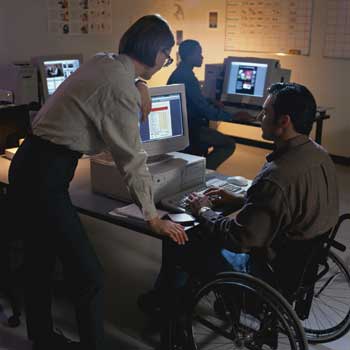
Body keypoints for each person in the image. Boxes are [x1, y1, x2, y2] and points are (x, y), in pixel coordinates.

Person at [8, 14, 188, 350]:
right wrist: (152, 216)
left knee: (40, 260)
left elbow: (123, 80)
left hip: (32, 163)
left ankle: (42, 338)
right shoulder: (120, 88)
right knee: (89, 275)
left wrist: (143, 84)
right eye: (167, 53)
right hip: (45, 174)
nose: (168, 61)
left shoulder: (104, 62)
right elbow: (132, 159)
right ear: (154, 50)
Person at [139, 83, 339, 336]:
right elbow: (289, 205)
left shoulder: (277, 176)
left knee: (182, 239)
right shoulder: (319, 154)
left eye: (265, 112)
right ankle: (175, 301)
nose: (259, 117)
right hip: (301, 265)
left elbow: (240, 240)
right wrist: (239, 199)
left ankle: (167, 313)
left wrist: (203, 210)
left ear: (284, 121)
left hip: (266, 276)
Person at [167, 39, 253, 170]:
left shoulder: (181, 73)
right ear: (190, 56)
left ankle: (199, 168)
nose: (202, 56)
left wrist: (208, 100)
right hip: (191, 130)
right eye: (199, 53)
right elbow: (205, 110)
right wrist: (233, 116)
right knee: (229, 144)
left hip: (185, 126)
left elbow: (194, 101)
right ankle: (200, 172)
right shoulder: (186, 77)